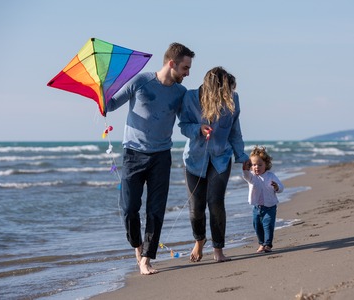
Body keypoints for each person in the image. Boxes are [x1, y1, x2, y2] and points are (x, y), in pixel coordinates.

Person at [106, 42, 195, 275]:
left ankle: (146, 258)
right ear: (172, 63)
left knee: (155, 210)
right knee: (129, 209)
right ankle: (137, 246)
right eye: (185, 68)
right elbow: (112, 104)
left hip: (161, 157)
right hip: (133, 155)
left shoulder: (180, 92)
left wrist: (200, 128)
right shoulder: (140, 81)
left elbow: (185, 123)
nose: (188, 73)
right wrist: (100, 97)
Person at [179, 66, 249, 263]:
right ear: (214, 87)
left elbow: (235, 131)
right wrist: (198, 129)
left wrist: (241, 155)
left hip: (221, 158)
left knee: (216, 202)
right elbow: (183, 125)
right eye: (225, 89)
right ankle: (199, 241)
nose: (229, 94)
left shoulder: (233, 100)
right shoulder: (191, 98)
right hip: (194, 158)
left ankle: (218, 250)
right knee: (196, 207)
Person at [242, 146, 284, 253]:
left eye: (260, 165)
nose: (257, 167)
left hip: (270, 206)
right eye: (254, 165)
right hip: (257, 207)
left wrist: (276, 187)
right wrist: (245, 169)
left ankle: (267, 244)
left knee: (268, 225)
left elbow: (281, 187)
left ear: (266, 165)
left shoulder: (271, 176)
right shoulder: (252, 177)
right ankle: (261, 243)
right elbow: (246, 176)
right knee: (257, 225)